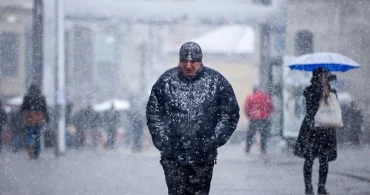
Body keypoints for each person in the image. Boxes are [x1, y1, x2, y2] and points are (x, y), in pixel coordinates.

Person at [146, 42, 240, 195]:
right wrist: (163, 141)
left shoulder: (216, 82)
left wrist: (213, 140)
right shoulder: (166, 81)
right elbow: (153, 113)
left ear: (201, 62)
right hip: (173, 156)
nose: (188, 66)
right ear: (179, 62)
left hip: (203, 157)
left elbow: (230, 114)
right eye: (184, 61)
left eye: (193, 61)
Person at [294, 68, 337, 195]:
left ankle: (321, 187)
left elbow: (333, 106)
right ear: (316, 76)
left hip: (326, 129)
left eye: (325, 75)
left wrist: (326, 91)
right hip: (311, 129)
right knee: (309, 159)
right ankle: (308, 187)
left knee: (324, 160)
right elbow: (311, 107)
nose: (323, 77)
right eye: (320, 75)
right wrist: (322, 92)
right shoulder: (309, 90)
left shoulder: (332, 91)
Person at [21, 84, 49, 159]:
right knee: (38, 136)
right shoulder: (41, 97)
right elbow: (45, 109)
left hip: (29, 117)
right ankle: (36, 153)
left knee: (29, 134)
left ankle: (30, 147)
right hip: (39, 117)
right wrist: (47, 119)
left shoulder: (27, 96)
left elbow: (23, 108)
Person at [244, 86, 274, 155]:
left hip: (253, 118)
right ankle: (263, 149)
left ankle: (247, 149)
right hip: (264, 118)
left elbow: (246, 107)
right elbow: (271, 107)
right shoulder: (265, 97)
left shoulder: (250, 97)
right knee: (263, 134)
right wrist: (266, 113)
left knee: (250, 134)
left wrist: (249, 115)